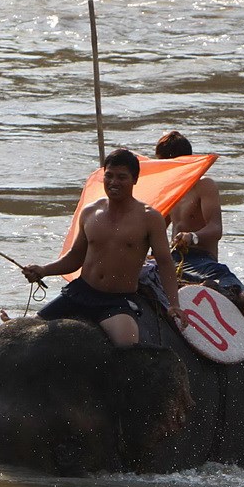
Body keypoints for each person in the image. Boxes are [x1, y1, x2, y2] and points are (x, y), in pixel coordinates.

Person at [21, 148, 187, 346]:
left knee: (128, 346)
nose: (114, 182)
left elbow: (165, 263)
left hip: (116, 300)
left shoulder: (150, 218)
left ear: (134, 180)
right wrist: (44, 270)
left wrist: (174, 304)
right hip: (80, 293)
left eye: (121, 177)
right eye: (109, 175)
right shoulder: (90, 212)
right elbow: (75, 257)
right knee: (27, 336)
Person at [154, 130, 244, 314]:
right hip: (173, 257)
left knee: (220, 274)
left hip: (200, 258)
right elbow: (157, 226)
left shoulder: (204, 186)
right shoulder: (170, 190)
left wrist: (192, 237)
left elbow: (216, 229)